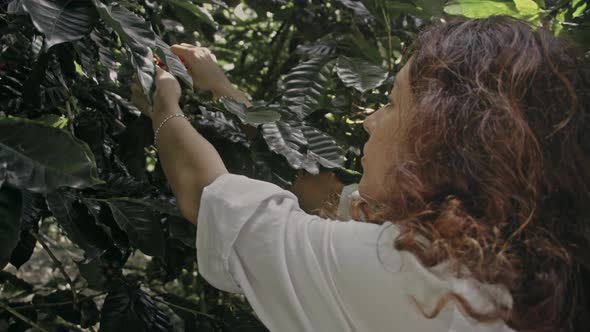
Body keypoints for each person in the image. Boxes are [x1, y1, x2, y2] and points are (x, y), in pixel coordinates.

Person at [132, 16, 590, 332]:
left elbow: (209, 195)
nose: (371, 119)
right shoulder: (507, 273)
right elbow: (318, 190)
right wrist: (226, 91)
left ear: (443, 140)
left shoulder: (408, 275)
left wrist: (164, 106)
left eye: (392, 103)